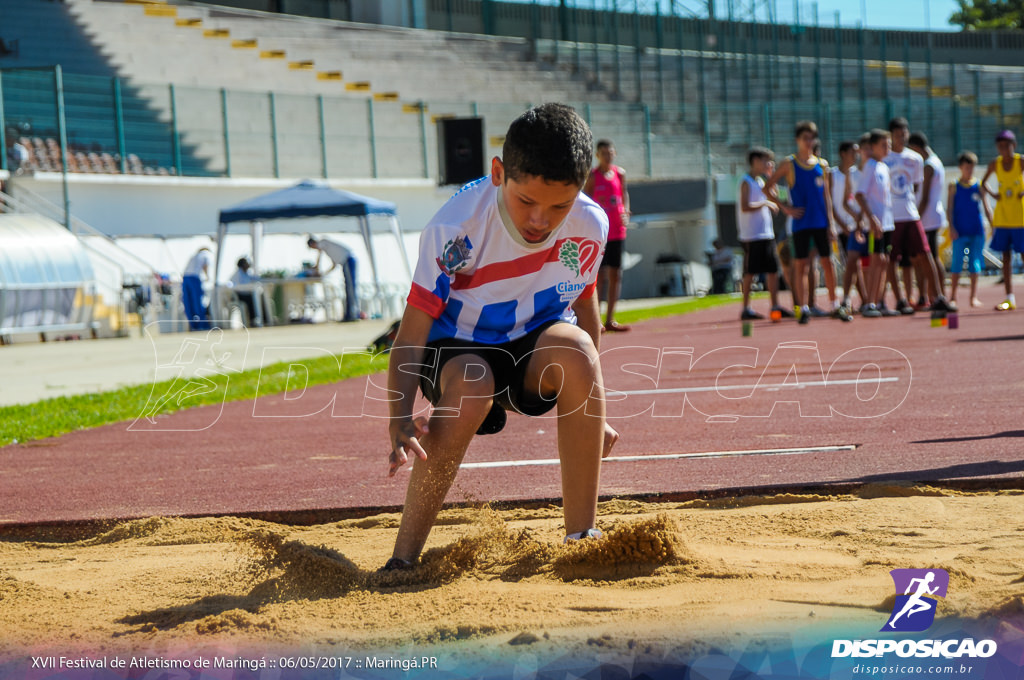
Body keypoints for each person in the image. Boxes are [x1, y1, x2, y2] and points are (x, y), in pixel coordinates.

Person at [382, 103, 618, 571]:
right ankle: (403, 560)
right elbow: (409, 337)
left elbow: (586, 310)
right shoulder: (455, 229)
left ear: (581, 188)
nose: (541, 220)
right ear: (498, 173)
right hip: (457, 345)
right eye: (526, 201)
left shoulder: (589, 224)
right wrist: (399, 418)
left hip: (531, 343)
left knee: (576, 352)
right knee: (471, 384)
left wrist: (592, 404)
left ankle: (581, 540)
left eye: (559, 206)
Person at [764, 121, 850, 323]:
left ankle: (834, 305)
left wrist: (831, 223)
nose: (809, 142)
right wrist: (786, 208)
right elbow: (767, 187)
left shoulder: (822, 165)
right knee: (801, 265)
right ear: (798, 140)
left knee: (828, 263)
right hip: (801, 222)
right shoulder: (789, 163)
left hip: (820, 222)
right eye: (805, 138)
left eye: (812, 138)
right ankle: (802, 308)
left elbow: (826, 196)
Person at [883, 117, 954, 314]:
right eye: (897, 134)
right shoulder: (885, 159)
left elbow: (915, 187)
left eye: (904, 133)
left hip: (911, 214)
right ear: (891, 135)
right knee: (892, 259)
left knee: (925, 254)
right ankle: (899, 300)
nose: (901, 137)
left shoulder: (915, 159)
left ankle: (938, 296)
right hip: (891, 217)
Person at [583, 139, 631, 332]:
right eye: (603, 153)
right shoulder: (593, 176)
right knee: (599, 276)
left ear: (614, 154)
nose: (607, 156)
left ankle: (611, 319)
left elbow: (624, 195)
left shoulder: (619, 174)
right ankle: (597, 320)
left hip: (617, 230)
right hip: (600, 232)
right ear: (597, 155)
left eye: (610, 152)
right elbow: (585, 199)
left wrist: (626, 211)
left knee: (615, 274)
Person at [736, 147, 789, 320]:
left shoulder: (761, 182)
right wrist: (764, 204)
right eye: (765, 161)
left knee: (772, 270)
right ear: (755, 161)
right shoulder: (746, 182)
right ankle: (746, 308)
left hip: (766, 233)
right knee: (750, 272)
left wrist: (770, 177)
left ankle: (775, 306)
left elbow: (774, 196)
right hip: (752, 235)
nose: (768, 164)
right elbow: (745, 206)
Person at [980, 129, 1024, 311]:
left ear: (1014, 146)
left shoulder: (1020, 161)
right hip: (1003, 217)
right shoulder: (995, 164)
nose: (1004, 149)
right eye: (1000, 146)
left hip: (1020, 218)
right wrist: (993, 195)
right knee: (1005, 257)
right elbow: (983, 183)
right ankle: (1009, 297)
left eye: (1007, 146)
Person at [855, 129, 896, 318]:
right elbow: (859, 194)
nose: (887, 148)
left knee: (884, 261)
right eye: (883, 145)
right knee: (874, 260)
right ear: (873, 147)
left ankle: (879, 301)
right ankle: (869, 302)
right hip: (875, 224)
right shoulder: (870, 166)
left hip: (887, 223)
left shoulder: (884, 167)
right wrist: (871, 218)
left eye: (888, 144)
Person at [907, 132, 948, 307]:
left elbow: (924, 197)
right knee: (928, 257)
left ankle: (934, 295)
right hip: (933, 215)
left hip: (927, 217)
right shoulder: (936, 161)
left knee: (927, 257)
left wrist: (916, 217)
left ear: (916, 147)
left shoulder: (929, 166)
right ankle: (932, 295)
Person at [947, 151, 991, 309]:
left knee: (975, 263)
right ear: (960, 167)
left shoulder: (979, 185)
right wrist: (951, 227)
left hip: (977, 230)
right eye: (967, 167)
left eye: (972, 167)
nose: (970, 171)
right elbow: (950, 208)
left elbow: (986, 207)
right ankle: (952, 296)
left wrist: (992, 224)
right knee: (957, 264)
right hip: (959, 231)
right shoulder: (954, 186)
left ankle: (973, 297)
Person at [831, 140, 868, 312]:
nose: (856, 155)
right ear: (843, 153)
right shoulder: (833, 174)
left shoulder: (856, 174)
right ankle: (852, 299)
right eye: (853, 152)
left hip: (856, 226)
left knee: (855, 263)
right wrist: (839, 223)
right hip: (841, 227)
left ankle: (863, 299)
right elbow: (831, 202)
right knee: (851, 262)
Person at [307, 235, 359, 321]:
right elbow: (334, 265)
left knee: (351, 288)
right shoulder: (329, 250)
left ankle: (353, 314)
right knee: (348, 288)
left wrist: (316, 267)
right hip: (346, 263)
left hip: (348, 261)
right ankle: (350, 313)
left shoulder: (323, 242)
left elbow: (319, 255)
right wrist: (323, 274)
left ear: (313, 243)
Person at [181, 246, 211, 331]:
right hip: (194, 278)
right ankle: (202, 325)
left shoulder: (193, 256)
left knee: (188, 303)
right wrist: (208, 277)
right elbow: (205, 266)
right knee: (197, 302)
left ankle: (193, 325)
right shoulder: (206, 254)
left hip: (185, 278)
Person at [230, 256, 260, 326]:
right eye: (247, 263)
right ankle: (253, 320)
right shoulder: (237, 274)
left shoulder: (247, 273)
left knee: (258, 298)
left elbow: (254, 278)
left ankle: (259, 319)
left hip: (248, 293)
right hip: (240, 295)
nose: (248, 265)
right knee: (251, 300)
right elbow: (235, 287)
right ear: (243, 265)